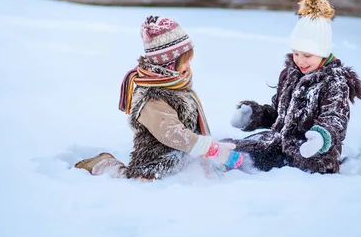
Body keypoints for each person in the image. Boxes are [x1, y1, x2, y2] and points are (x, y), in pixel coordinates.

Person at [75, 15, 243, 180]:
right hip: (157, 162)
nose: (189, 65)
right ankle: (104, 164)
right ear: (169, 64)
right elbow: (171, 132)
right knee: (135, 179)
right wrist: (211, 149)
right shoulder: (152, 98)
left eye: (190, 59)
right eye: (184, 60)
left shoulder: (175, 82)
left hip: (183, 151)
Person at [228, 0, 361, 174]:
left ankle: (240, 165)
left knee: (247, 161)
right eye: (296, 53)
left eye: (307, 55)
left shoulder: (334, 82)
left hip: (310, 153)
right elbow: (279, 114)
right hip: (281, 143)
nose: (300, 60)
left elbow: (335, 118)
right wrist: (254, 115)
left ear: (323, 53)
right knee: (229, 147)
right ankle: (225, 161)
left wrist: (321, 137)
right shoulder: (291, 74)